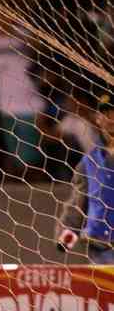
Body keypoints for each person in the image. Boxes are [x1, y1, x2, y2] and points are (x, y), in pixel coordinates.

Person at [57, 93, 114, 264]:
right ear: (97, 118)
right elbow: (78, 204)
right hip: (100, 247)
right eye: (106, 114)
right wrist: (67, 237)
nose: (111, 119)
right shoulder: (88, 162)